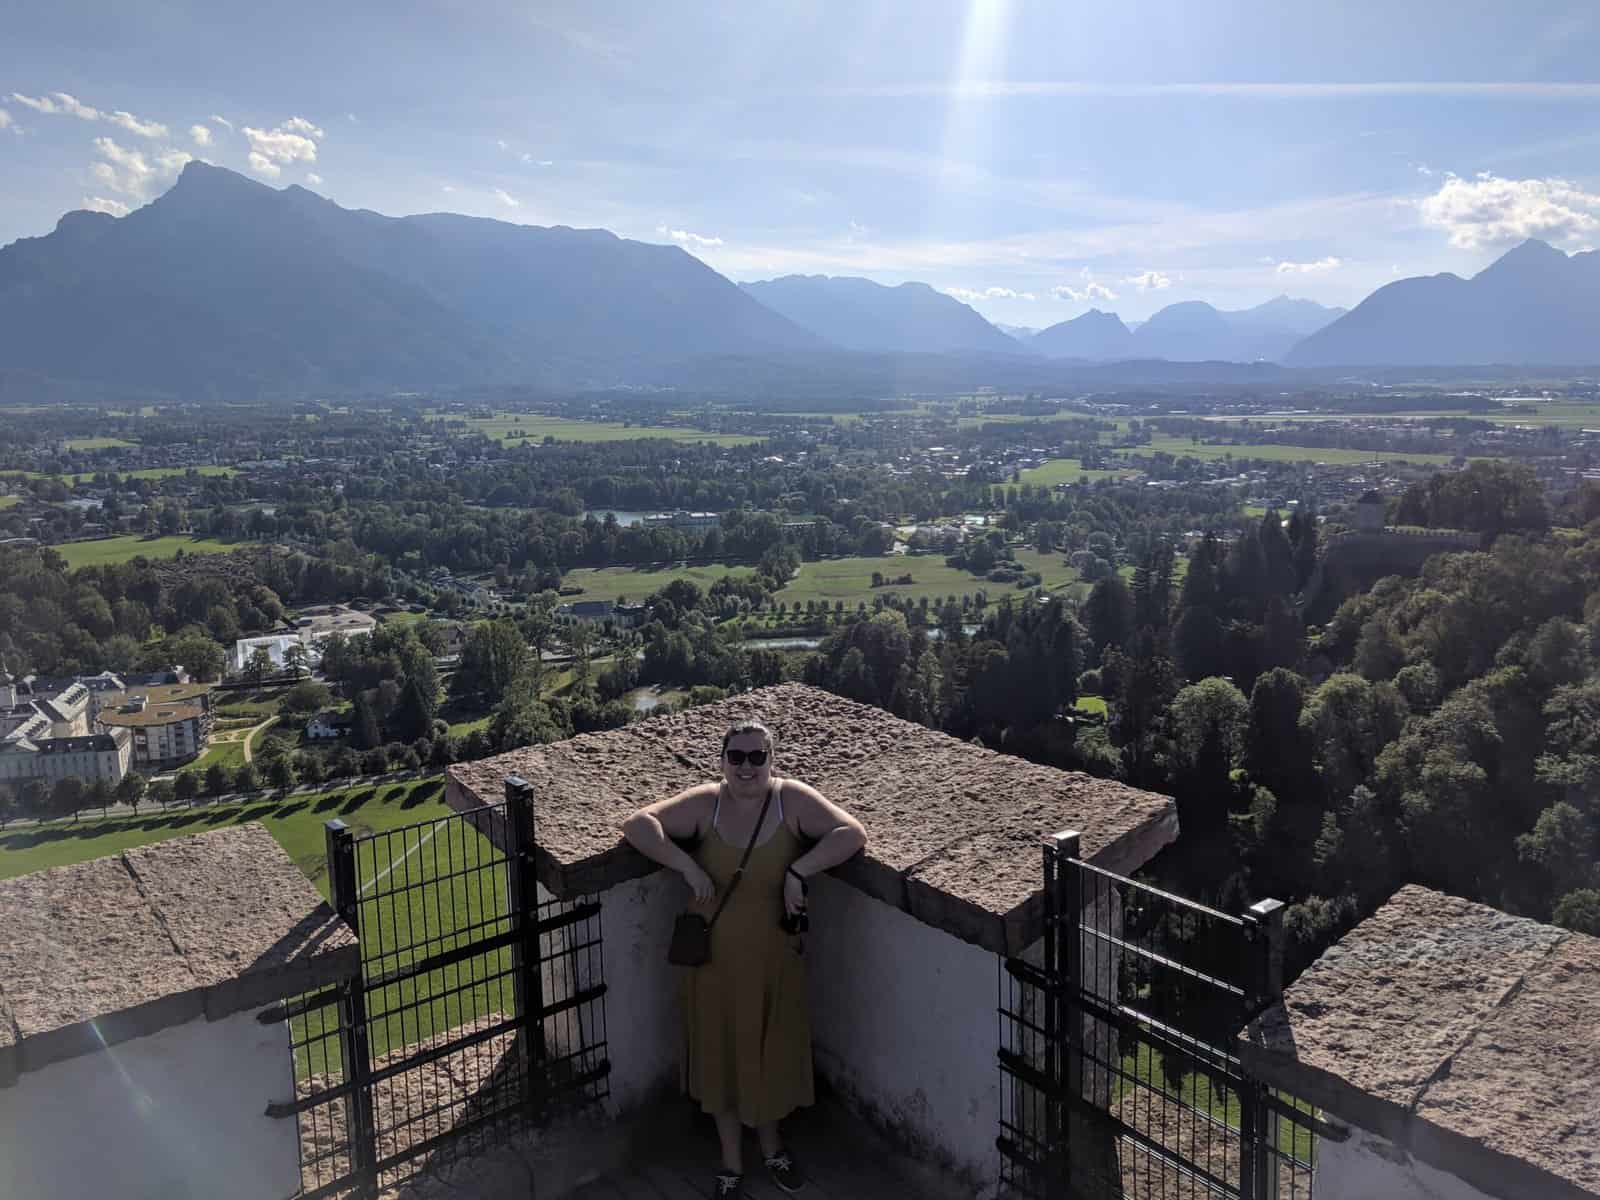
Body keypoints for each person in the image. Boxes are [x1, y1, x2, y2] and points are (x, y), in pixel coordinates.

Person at [621, 719, 867, 1198]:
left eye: (758, 756)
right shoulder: (708, 803)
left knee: (769, 1055)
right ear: (722, 760)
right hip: (712, 962)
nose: (747, 766)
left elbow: (850, 833)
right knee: (719, 1059)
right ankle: (731, 1161)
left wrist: (800, 868)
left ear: (772, 760)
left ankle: (772, 1148)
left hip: (773, 958)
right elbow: (637, 824)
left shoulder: (789, 798)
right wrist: (687, 865)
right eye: (736, 756)